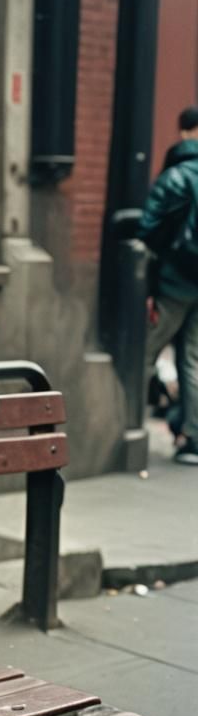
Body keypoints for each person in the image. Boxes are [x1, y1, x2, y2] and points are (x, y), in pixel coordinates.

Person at [139, 106, 198, 465]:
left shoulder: (175, 176)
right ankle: (193, 436)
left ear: (184, 133)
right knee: (192, 358)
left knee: (145, 352)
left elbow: (147, 228)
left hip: (175, 281)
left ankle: (129, 426)